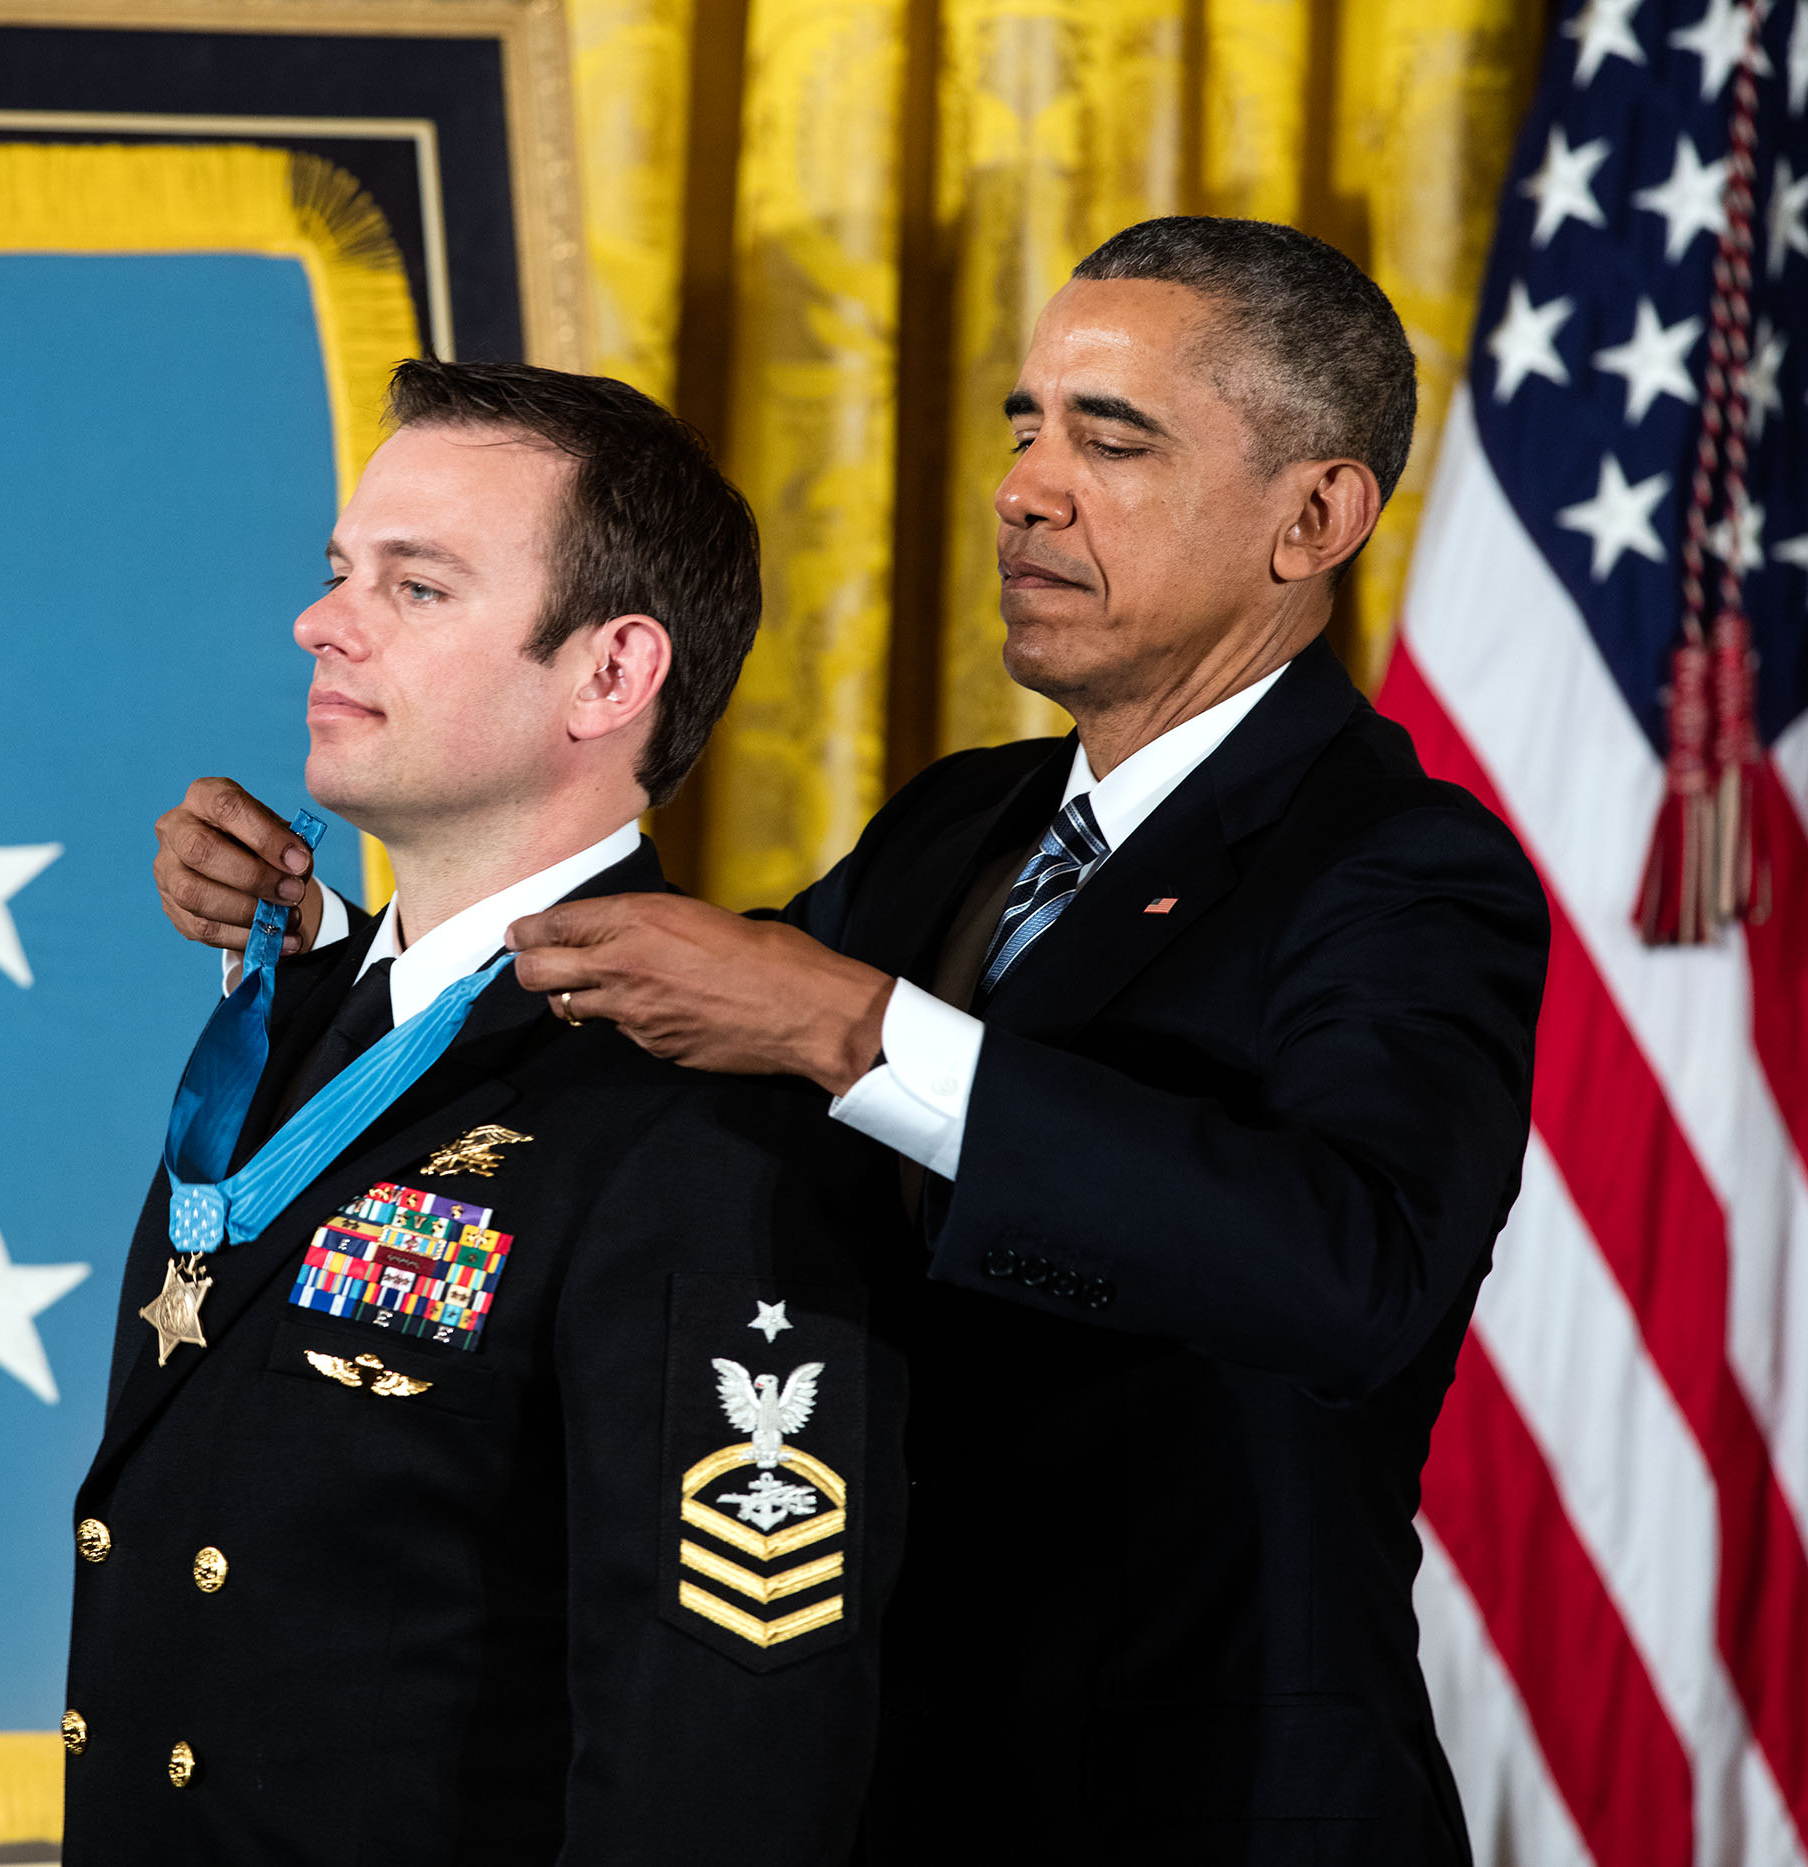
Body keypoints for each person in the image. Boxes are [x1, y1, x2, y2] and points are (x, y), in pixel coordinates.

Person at [153, 219, 1550, 1864]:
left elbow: (1352, 1274)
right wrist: (319, 948)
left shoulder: (1401, 866)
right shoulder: (967, 820)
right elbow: (638, 1039)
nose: (1027, 486)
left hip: (1192, 1807)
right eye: (1027, 425)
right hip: (895, 1780)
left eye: (1111, 438)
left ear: (1314, 517)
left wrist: (862, 1024)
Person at [65, 360, 905, 1864]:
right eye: (338, 573)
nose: (325, 621)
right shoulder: (307, 1016)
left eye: (420, 587)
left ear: (608, 676)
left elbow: (720, 1749)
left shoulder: (698, 1109)